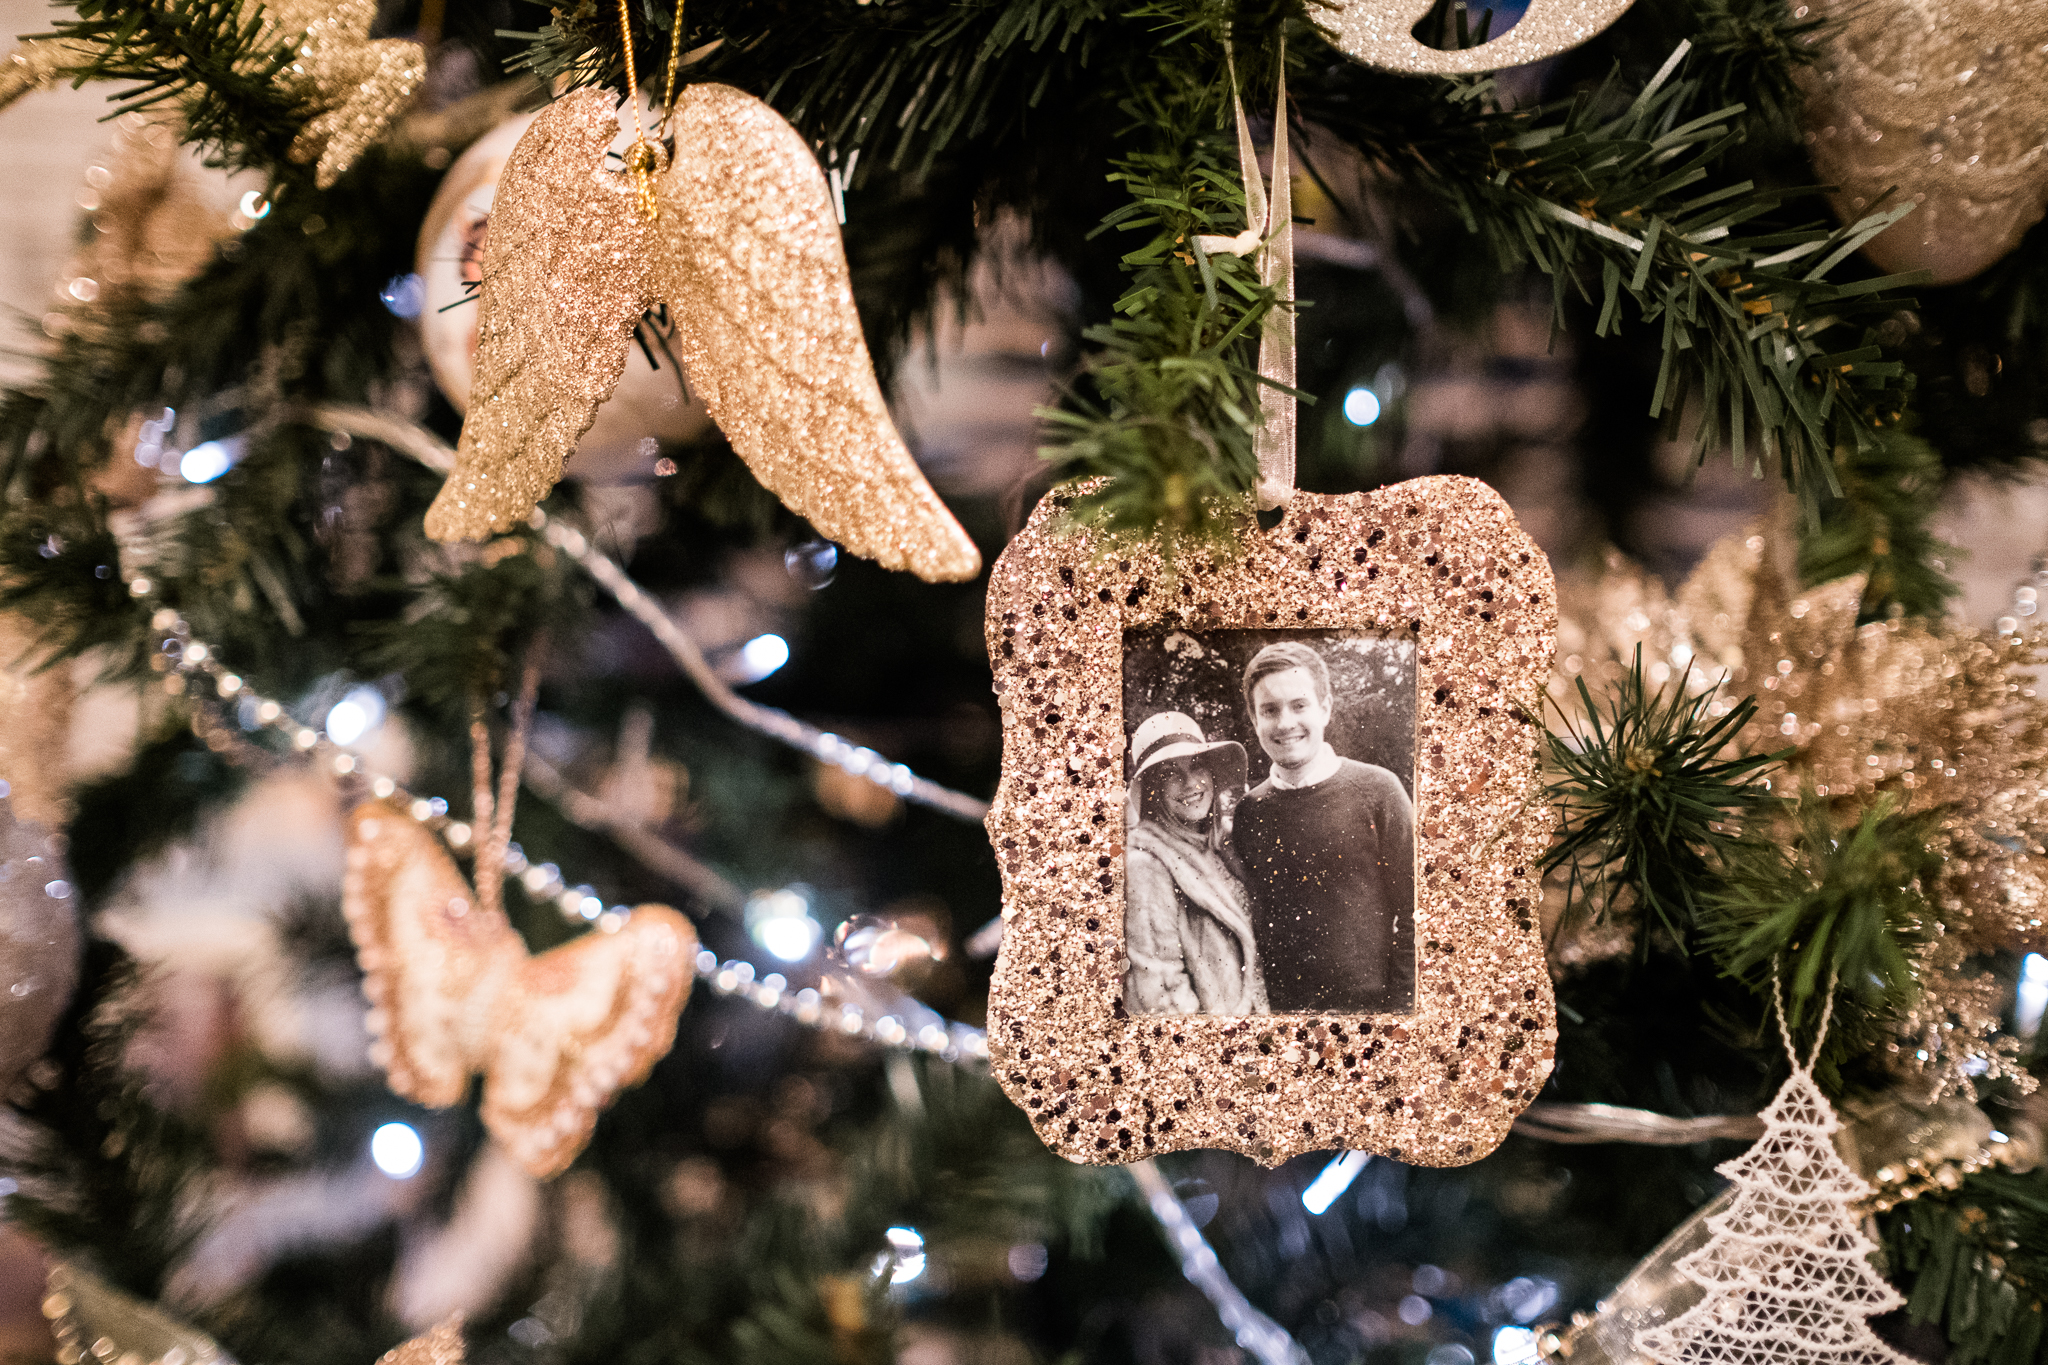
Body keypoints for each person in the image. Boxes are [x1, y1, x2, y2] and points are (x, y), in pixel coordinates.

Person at [1231, 641, 1415, 1013]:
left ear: (1325, 708)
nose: (1285, 723)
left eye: (1299, 705)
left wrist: (1400, 1013)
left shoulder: (1378, 790)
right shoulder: (1249, 812)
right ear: (1254, 720)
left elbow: (1419, 913)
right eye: (1269, 710)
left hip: (1372, 1018)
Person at [1122, 711, 1269, 1015]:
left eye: (1196, 765)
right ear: (1152, 789)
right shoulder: (1146, 864)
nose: (1189, 783)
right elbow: (1161, 997)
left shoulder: (1220, 845)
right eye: (1169, 773)